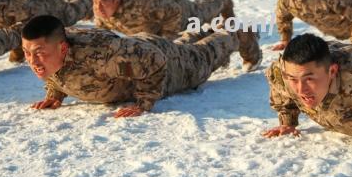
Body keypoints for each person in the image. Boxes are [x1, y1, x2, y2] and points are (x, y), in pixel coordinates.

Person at [22, 15, 262, 117]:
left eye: (39, 53)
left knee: (202, 56)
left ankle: (236, 32)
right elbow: (57, 69)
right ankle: (205, 28)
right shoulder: (54, 50)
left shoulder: (103, 56)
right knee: (182, 45)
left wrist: (144, 101)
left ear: (63, 48)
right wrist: (56, 92)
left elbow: (153, 61)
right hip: (137, 47)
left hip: (164, 62)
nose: (33, 61)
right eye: (27, 53)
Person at [92, 0, 234, 38]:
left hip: (175, 7)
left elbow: (174, 10)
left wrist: (167, 39)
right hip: (155, 17)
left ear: (116, 2)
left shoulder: (142, 4)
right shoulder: (100, 11)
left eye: (103, 2)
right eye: (95, 2)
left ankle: (223, 1)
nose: (98, 8)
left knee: (201, 12)